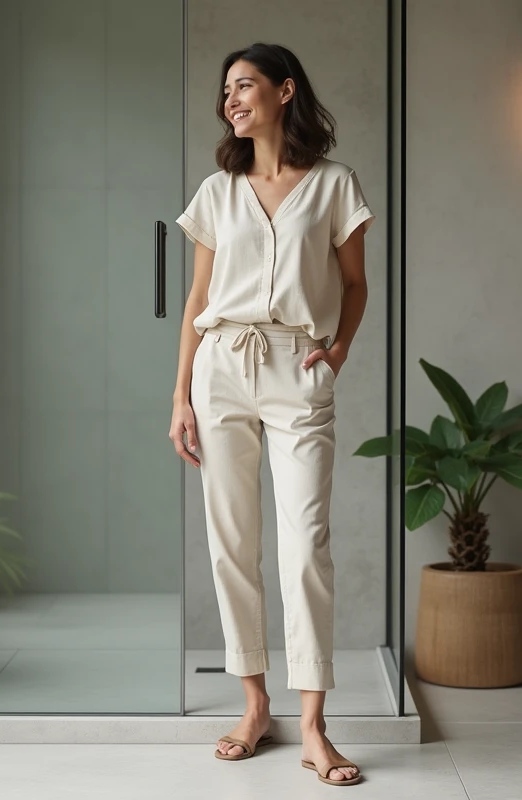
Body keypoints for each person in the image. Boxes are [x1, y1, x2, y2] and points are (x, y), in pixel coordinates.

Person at [169, 42, 375, 788]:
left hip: (297, 366)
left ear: (286, 91)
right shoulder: (217, 191)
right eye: (226, 89)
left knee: (306, 544)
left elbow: (354, 285)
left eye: (245, 85)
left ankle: (315, 724)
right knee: (231, 543)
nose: (231, 98)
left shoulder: (334, 187)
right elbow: (197, 302)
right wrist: (180, 394)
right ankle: (255, 705)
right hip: (222, 366)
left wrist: (341, 350)